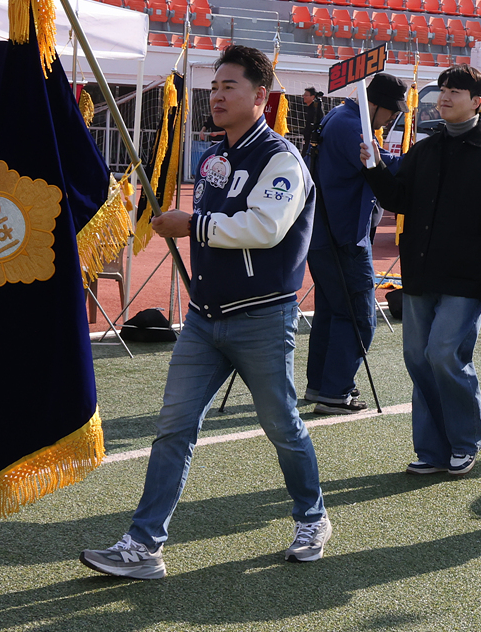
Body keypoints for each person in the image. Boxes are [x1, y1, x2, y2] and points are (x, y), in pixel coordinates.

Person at [81, 45, 329, 579]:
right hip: (202, 318)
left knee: (282, 425)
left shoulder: (283, 160)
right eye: (213, 87)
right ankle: (144, 544)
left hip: (263, 318)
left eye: (229, 86)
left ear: (261, 96)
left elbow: (265, 228)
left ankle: (312, 517)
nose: (216, 96)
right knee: (173, 427)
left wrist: (190, 225)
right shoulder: (213, 158)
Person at [362, 65, 481, 477]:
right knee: (417, 358)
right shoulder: (425, 149)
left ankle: (465, 441)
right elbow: (399, 199)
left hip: (467, 277)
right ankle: (432, 450)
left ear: (478, 102)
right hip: (421, 271)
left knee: (444, 354)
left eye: (455, 91)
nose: (444, 97)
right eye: (443, 90)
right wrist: (375, 168)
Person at [302, 72, 405, 414]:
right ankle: (335, 392)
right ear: (376, 104)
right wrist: (422, 159)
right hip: (344, 236)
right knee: (359, 316)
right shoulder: (352, 125)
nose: (393, 117)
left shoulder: (340, 116)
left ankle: (321, 386)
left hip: (324, 233)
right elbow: (382, 165)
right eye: (392, 110)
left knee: (331, 312)